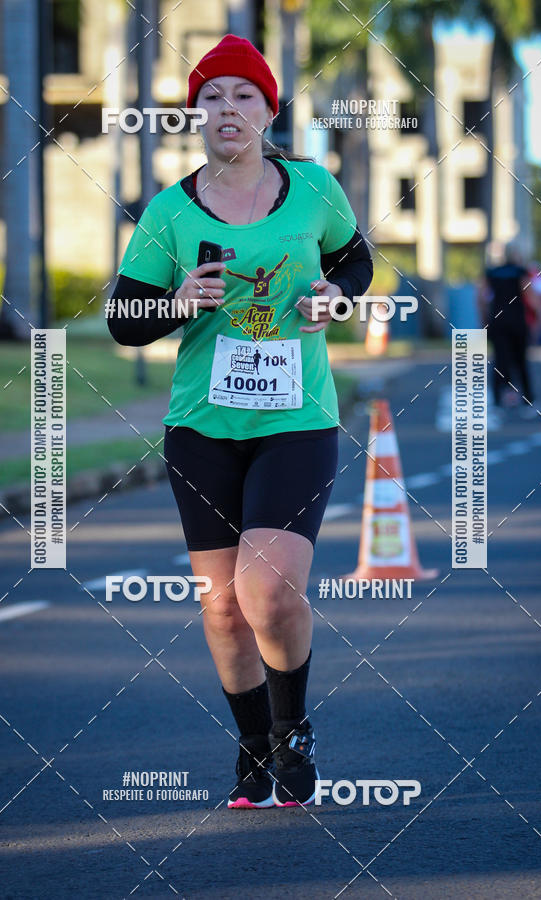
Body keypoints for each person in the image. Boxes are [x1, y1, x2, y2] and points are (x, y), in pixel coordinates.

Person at [107, 34, 373, 808]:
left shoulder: (314, 188)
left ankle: (292, 729)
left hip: (297, 417)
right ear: (197, 114)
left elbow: (353, 259)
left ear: (268, 110)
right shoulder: (170, 209)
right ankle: (253, 745)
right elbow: (126, 320)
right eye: (212, 98)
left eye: (243, 97)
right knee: (221, 607)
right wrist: (177, 300)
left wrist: (339, 297)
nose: (227, 110)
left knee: (269, 590)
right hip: (202, 427)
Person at [478, 241, 539, 414]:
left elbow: (481, 298)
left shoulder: (492, 273)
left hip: (498, 321)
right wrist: (540, 316)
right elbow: (530, 296)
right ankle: (528, 399)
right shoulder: (520, 273)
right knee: (520, 360)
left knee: (500, 360)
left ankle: (498, 399)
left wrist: (484, 319)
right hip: (517, 321)